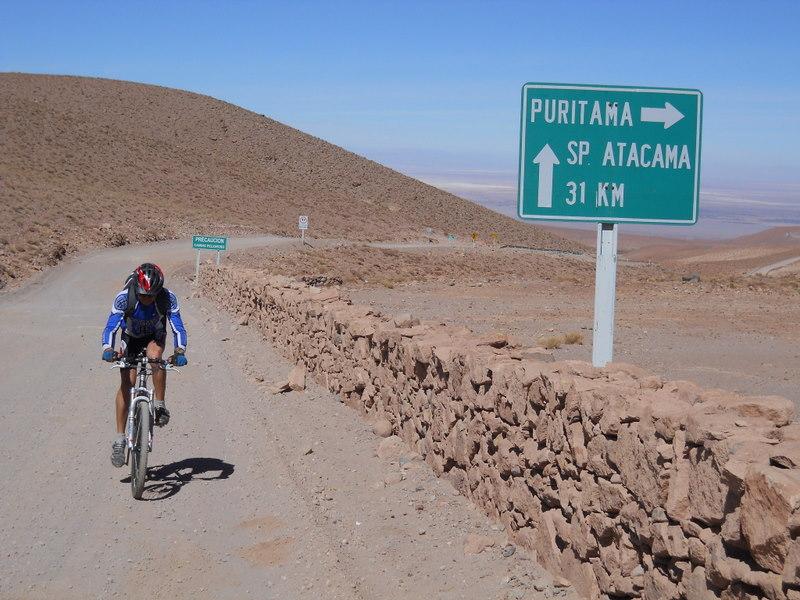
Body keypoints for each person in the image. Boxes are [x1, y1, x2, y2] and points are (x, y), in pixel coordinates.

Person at [101, 263, 188, 467]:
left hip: (154, 336)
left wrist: (180, 350)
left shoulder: (168, 298)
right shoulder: (124, 297)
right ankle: (119, 439)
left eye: (151, 295)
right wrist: (107, 348)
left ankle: (159, 405)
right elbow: (111, 326)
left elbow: (178, 327)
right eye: (143, 295)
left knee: (156, 358)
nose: (147, 299)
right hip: (130, 337)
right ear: (136, 290)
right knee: (126, 383)